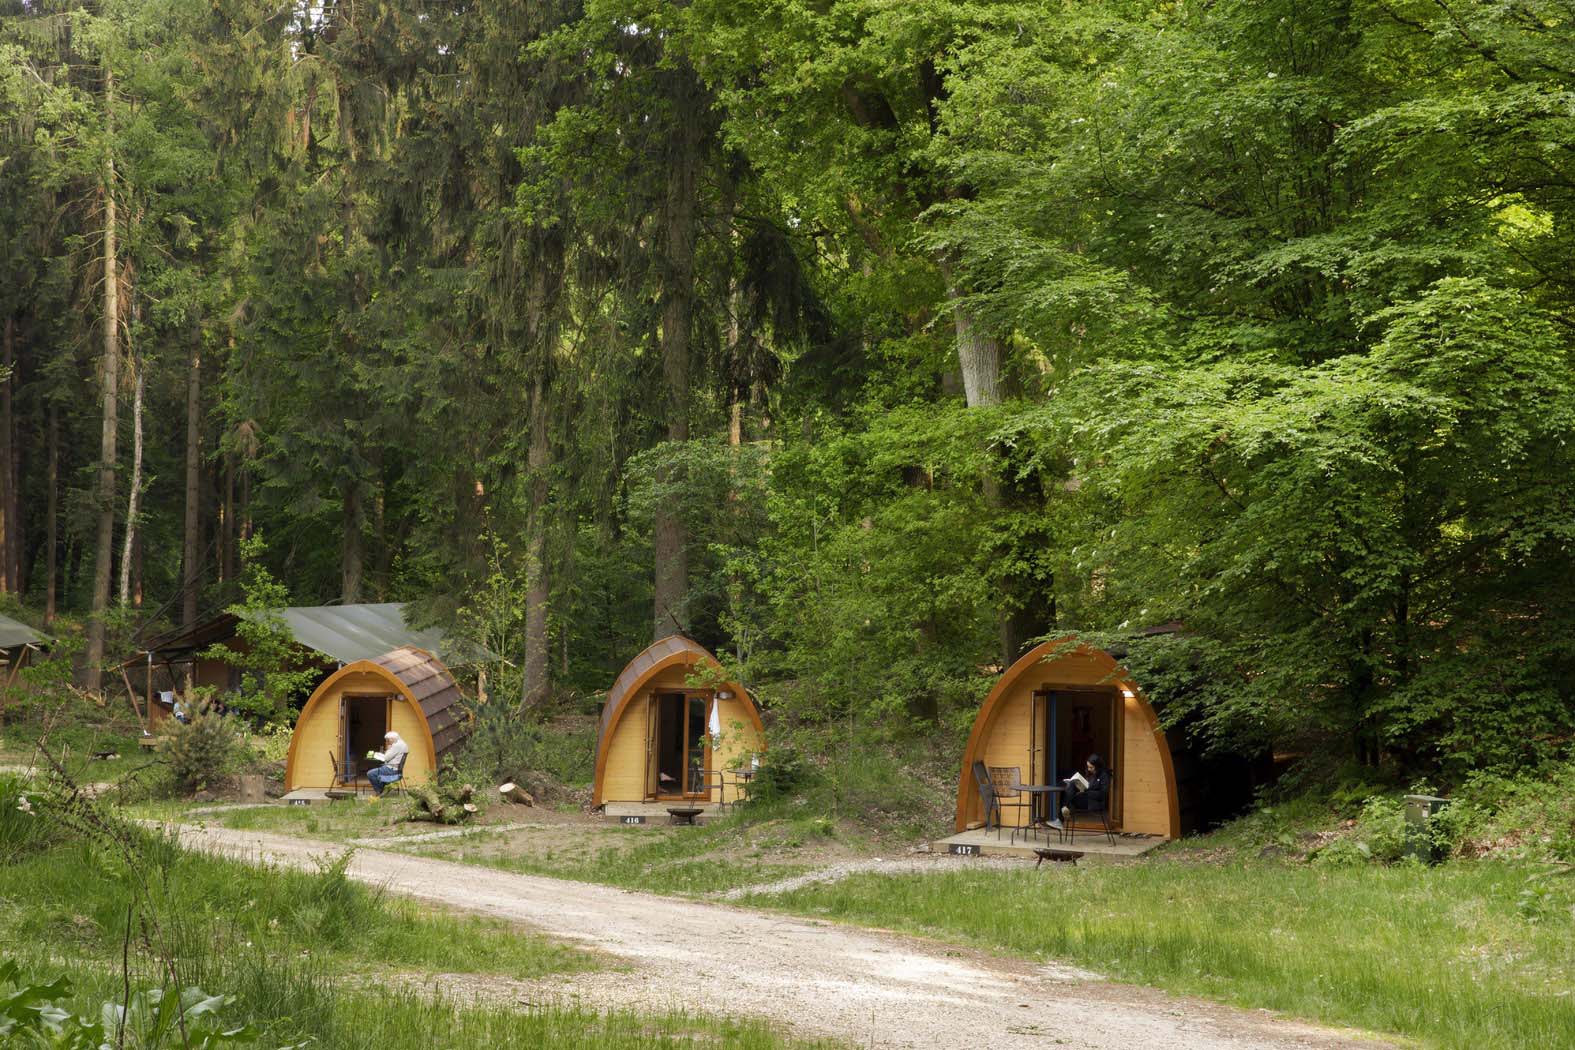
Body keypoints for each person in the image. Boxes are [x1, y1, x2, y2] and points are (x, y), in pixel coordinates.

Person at [1061, 753, 1110, 825]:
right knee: (1071, 784)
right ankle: (1065, 808)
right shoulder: (1090, 774)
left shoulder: (1104, 776)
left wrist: (1087, 791)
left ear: (1098, 766)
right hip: (1084, 798)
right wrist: (1080, 787)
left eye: (1091, 767)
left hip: (1094, 802)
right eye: (1088, 767)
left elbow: (1103, 794)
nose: (1089, 769)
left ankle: (1064, 810)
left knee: (1069, 796)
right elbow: (1086, 786)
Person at [365, 731, 408, 799]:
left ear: (392, 739)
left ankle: (380, 791)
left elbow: (385, 758)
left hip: (391, 769)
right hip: (396, 769)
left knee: (370, 773)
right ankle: (384, 789)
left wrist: (388, 748)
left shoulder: (396, 745)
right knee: (377, 771)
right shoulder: (402, 744)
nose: (387, 742)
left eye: (388, 740)